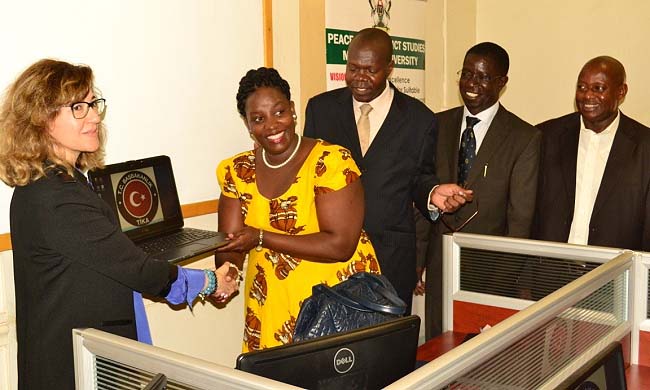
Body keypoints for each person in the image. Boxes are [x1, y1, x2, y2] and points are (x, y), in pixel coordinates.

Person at [0, 59, 238, 390]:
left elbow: (98, 254)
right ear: (42, 119)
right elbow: (137, 270)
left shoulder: (58, 181)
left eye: (93, 103)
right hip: (70, 368)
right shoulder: (56, 197)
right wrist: (209, 282)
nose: (94, 116)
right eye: (78, 107)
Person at [303, 27, 470, 311]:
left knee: (385, 349)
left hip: (390, 259)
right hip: (331, 254)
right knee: (332, 347)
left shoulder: (420, 119)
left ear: (390, 68)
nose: (360, 78)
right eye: (353, 68)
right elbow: (307, 176)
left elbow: (420, 177)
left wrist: (432, 193)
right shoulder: (321, 109)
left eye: (370, 70)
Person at [215, 67, 380, 352]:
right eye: (258, 119)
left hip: (337, 307)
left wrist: (262, 238)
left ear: (292, 110)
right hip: (272, 306)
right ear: (247, 124)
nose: (271, 126)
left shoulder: (331, 162)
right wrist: (228, 271)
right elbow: (232, 242)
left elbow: (339, 244)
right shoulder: (237, 171)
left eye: (279, 112)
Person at [414, 42, 541, 340]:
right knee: (436, 350)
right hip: (440, 264)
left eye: (483, 77)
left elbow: (520, 219)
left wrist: (501, 284)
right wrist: (418, 260)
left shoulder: (524, 137)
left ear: (502, 83)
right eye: (467, 73)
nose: (472, 84)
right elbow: (423, 188)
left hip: (492, 270)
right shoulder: (437, 123)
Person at [533, 56, 650, 251]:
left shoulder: (644, 146)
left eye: (598, 88)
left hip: (615, 273)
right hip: (550, 270)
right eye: (582, 87)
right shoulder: (546, 136)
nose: (587, 95)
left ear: (621, 92)